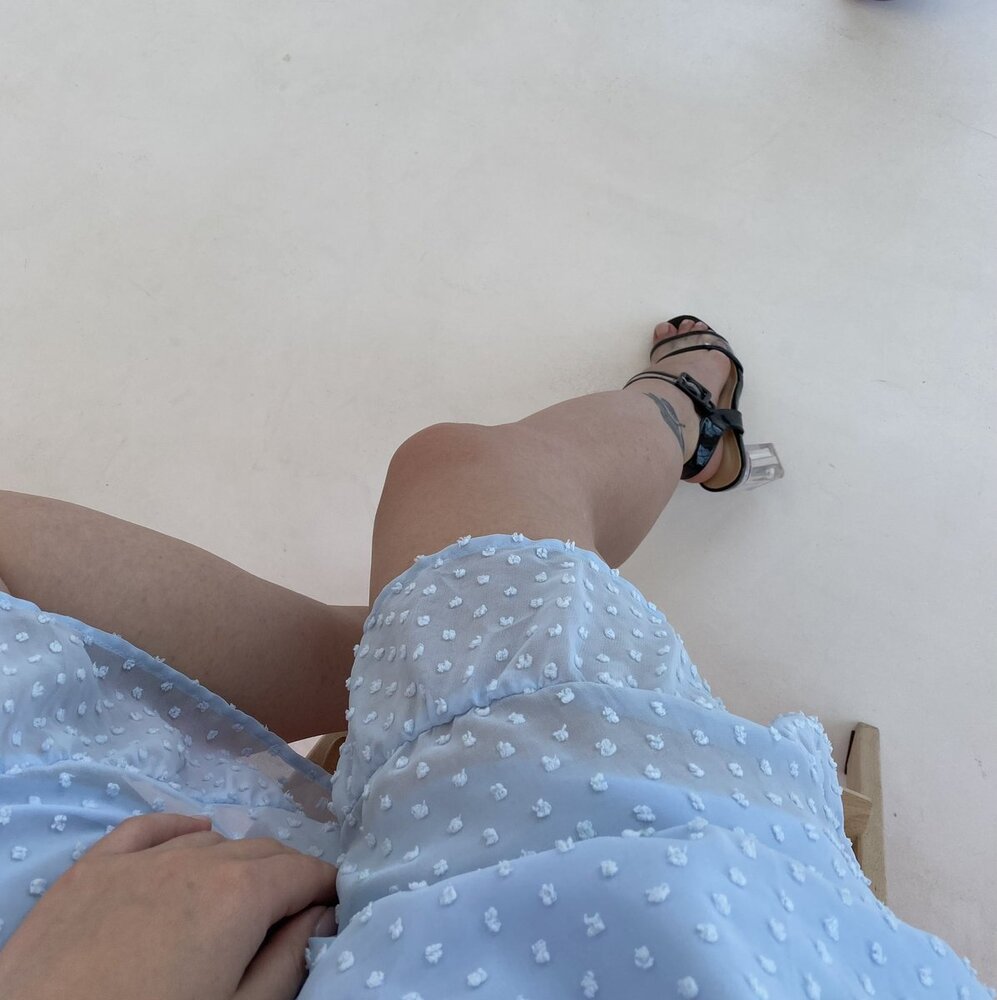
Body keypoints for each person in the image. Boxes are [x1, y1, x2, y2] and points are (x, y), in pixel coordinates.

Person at [0, 317, 991, 999]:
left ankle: (406, 641)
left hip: (140, 890)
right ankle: (687, 407)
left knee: (429, 589)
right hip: (553, 942)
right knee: (467, 474)